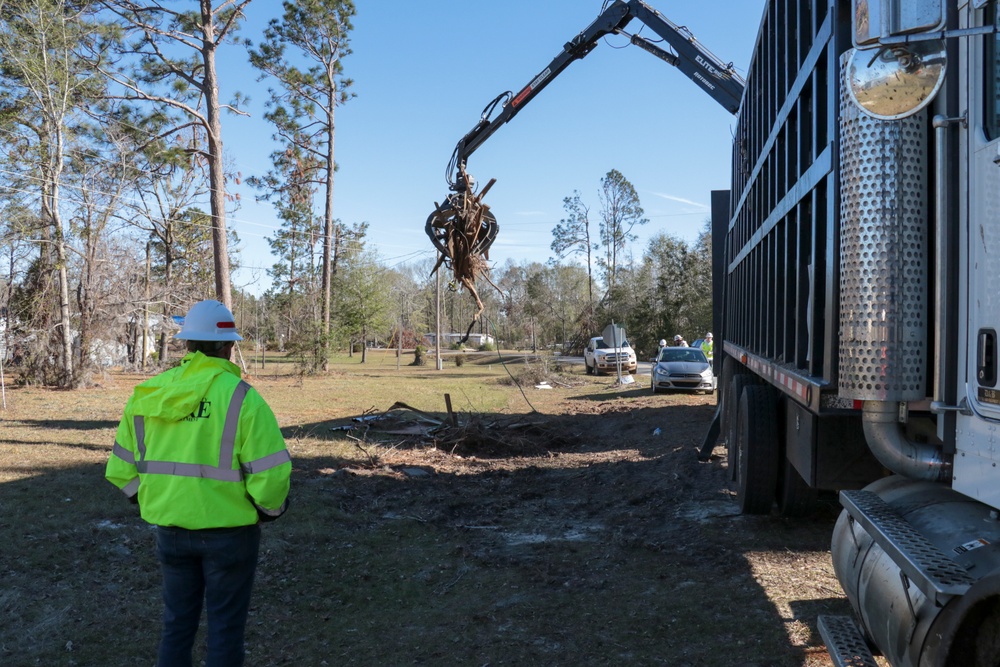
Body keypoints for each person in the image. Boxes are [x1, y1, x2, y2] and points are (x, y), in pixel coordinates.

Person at [105, 299, 291, 667]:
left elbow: (120, 469)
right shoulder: (241, 398)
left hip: (171, 532)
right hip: (230, 534)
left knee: (177, 625)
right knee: (225, 629)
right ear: (228, 347)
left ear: (187, 344)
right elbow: (270, 474)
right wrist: (269, 510)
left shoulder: (149, 393)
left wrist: (148, 499)